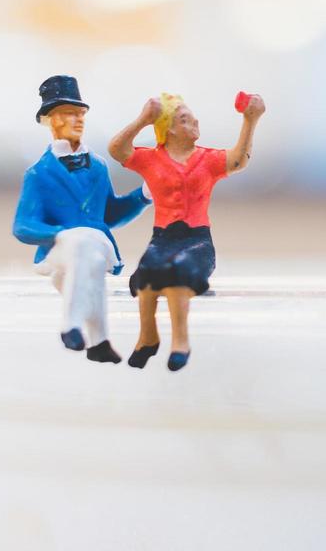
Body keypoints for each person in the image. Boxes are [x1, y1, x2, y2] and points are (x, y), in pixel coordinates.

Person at [109, 90, 265, 371]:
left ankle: (180, 340)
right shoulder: (151, 159)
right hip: (164, 237)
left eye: (193, 118)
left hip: (196, 239)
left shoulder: (208, 159)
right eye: (184, 119)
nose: (193, 122)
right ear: (168, 129)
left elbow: (239, 160)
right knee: (147, 273)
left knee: (179, 273)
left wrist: (250, 120)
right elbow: (117, 149)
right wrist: (143, 120)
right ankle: (148, 337)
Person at [13, 75, 151, 363]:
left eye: (80, 113)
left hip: (94, 244)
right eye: (68, 114)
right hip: (59, 250)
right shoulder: (38, 173)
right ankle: (85, 333)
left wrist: (143, 196)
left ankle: (84, 333)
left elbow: (109, 213)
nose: (78, 120)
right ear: (51, 121)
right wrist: (58, 234)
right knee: (82, 246)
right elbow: (23, 226)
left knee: (88, 247)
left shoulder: (98, 166)